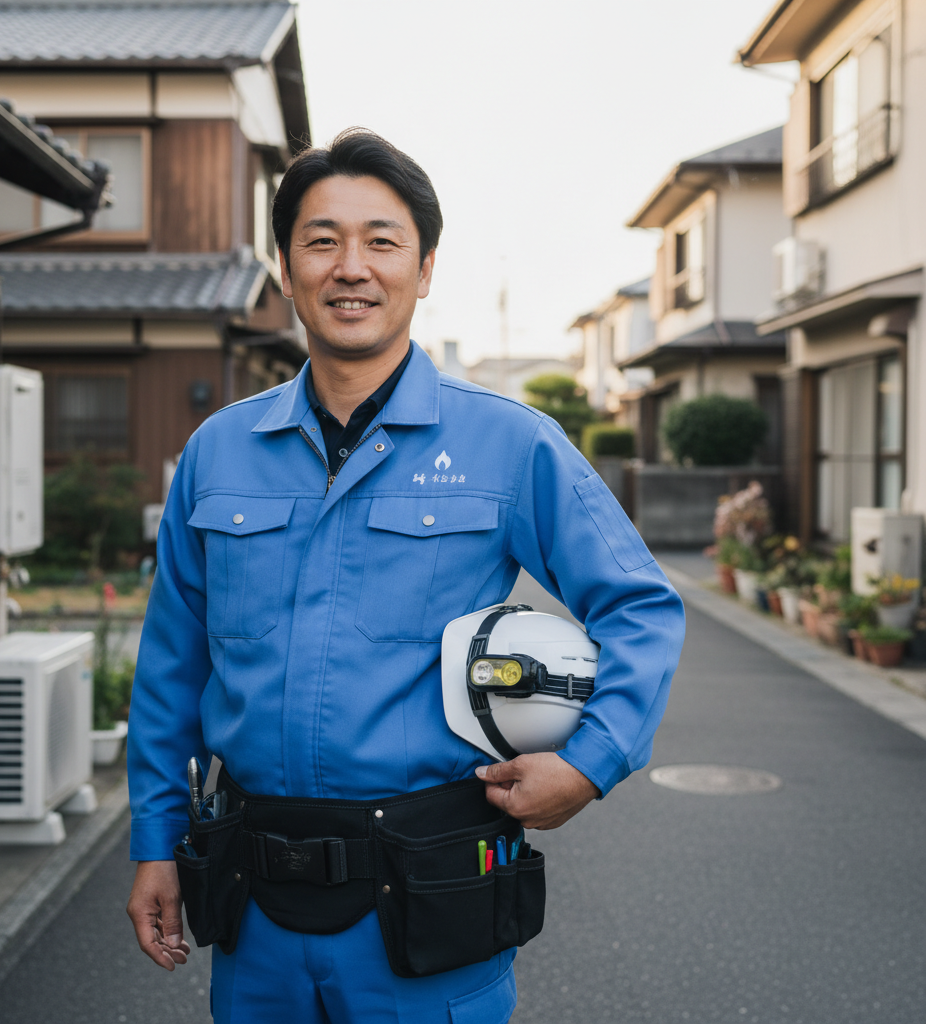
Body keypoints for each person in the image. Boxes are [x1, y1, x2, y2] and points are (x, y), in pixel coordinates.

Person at [126, 128, 686, 1024]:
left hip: (429, 895)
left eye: (382, 241)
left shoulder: (508, 443)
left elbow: (639, 604)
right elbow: (170, 670)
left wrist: (589, 763)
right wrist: (153, 841)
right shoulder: (218, 452)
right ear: (287, 268)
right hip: (255, 903)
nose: (352, 268)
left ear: (423, 269)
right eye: (322, 241)